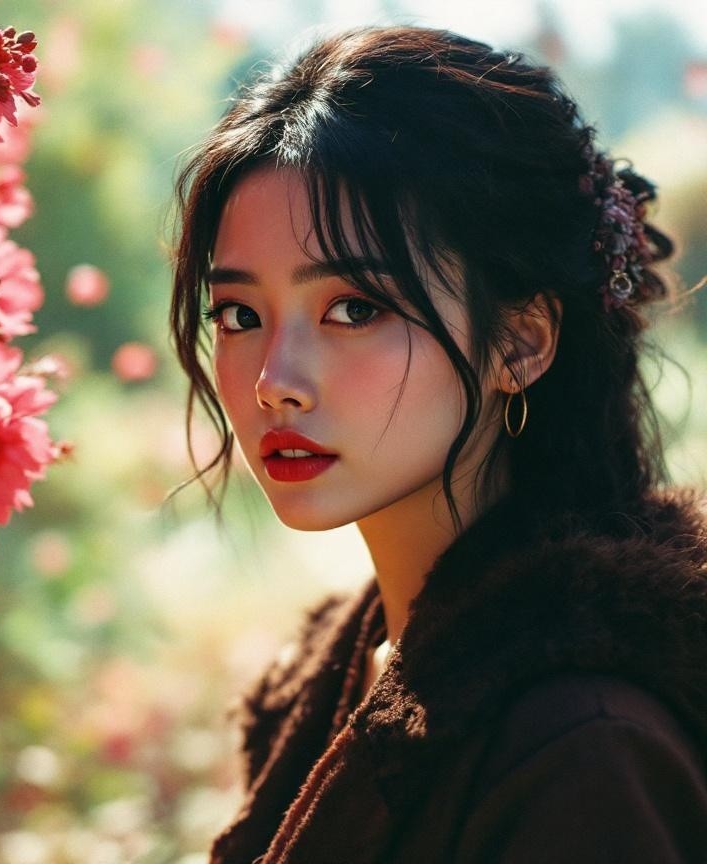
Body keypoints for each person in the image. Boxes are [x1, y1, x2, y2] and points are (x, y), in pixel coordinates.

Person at [170, 25, 707, 863]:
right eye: (239, 314)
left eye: (354, 308)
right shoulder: (334, 666)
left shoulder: (585, 752)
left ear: (521, 342)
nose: (275, 377)